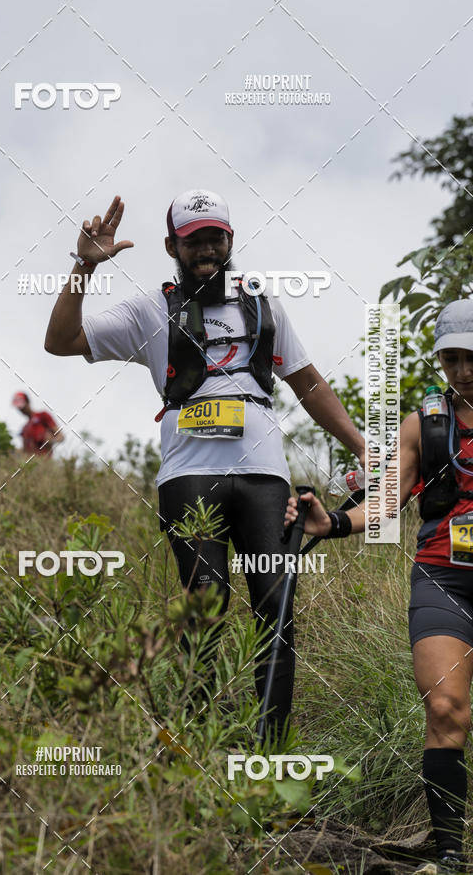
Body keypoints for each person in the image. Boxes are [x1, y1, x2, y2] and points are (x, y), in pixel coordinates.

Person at [45, 190, 365, 740]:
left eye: (216, 237)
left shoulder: (264, 305)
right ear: (173, 245)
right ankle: (195, 749)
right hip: (189, 478)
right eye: (194, 241)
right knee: (205, 607)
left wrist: (363, 448)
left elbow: (308, 383)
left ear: (230, 240)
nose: (207, 249)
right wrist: (83, 266)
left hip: (266, 478)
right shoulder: (149, 308)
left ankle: (270, 752)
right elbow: (61, 341)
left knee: (274, 605)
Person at [284, 298, 473, 874]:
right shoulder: (426, 425)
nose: (463, 371)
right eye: (452, 358)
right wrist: (334, 522)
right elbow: (388, 498)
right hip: (444, 579)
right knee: (445, 707)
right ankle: (448, 856)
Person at [12, 391, 63, 456]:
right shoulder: (24, 429)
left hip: (45, 461)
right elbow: (25, 451)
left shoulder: (42, 416)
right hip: (31, 463)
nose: (21, 410)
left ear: (28, 402)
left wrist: (50, 441)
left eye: (22, 406)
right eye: (19, 408)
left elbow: (61, 436)